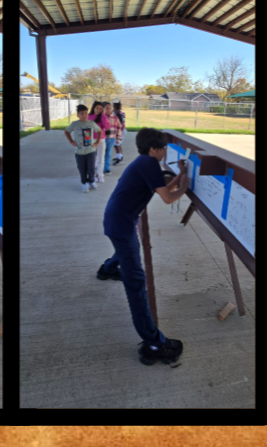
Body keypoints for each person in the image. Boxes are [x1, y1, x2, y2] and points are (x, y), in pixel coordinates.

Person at [96, 128, 189, 366]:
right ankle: (154, 344)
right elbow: (169, 198)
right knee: (136, 282)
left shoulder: (144, 163)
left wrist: (180, 175)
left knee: (128, 249)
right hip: (121, 224)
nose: (165, 151)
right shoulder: (149, 164)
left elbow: (164, 189)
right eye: (164, 148)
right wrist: (185, 185)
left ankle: (107, 269)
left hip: (119, 221)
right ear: (154, 149)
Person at [64, 104, 102, 193]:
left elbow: (100, 131)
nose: (84, 115)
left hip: (91, 151)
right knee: (82, 169)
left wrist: (97, 142)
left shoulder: (91, 123)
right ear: (78, 115)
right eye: (81, 113)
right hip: (79, 152)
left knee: (91, 168)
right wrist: (71, 141)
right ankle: (85, 183)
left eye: (86, 113)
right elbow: (66, 131)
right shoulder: (75, 124)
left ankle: (91, 181)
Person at [88, 101, 108, 183]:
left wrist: (103, 116)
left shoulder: (103, 116)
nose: (98, 110)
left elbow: (107, 126)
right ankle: (94, 174)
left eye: (100, 109)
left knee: (101, 158)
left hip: (101, 139)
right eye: (97, 108)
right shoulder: (89, 116)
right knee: (92, 158)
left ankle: (100, 174)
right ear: (93, 108)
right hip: (91, 140)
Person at [103, 102, 119, 175]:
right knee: (100, 153)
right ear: (103, 109)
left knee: (108, 153)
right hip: (101, 138)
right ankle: (100, 167)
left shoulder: (115, 118)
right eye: (107, 108)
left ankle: (106, 168)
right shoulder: (101, 117)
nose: (109, 110)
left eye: (110, 108)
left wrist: (118, 138)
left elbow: (119, 128)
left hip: (111, 138)